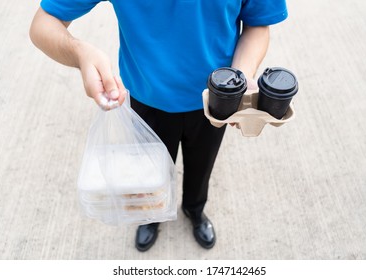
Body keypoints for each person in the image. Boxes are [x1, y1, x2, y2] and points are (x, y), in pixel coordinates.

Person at [30, 0, 288, 252]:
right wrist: (80, 52)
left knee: (202, 165)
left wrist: (239, 76)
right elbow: (43, 24)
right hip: (146, 97)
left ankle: (194, 210)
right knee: (148, 175)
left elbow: (257, 23)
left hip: (215, 101)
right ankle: (152, 217)